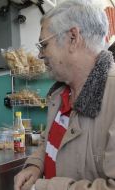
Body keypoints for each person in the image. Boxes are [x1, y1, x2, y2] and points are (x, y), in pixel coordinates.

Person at [14, 0, 115, 190]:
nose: (40, 55)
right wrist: (36, 164)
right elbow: (48, 142)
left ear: (73, 38)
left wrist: (42, 187)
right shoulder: (60, 94)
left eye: (44, 45)